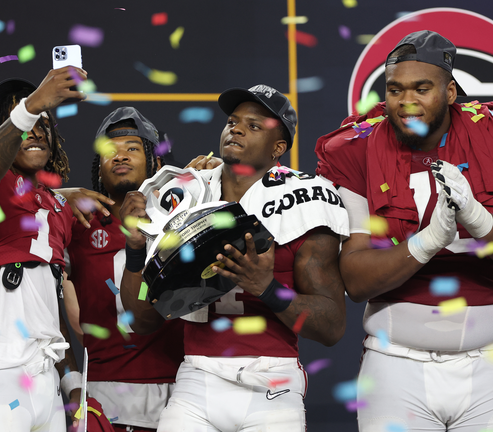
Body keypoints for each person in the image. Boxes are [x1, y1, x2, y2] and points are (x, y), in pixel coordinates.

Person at [315, 30, 493, 431]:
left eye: (422, 88)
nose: (407, 102)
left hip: (490, 364)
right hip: (395, 368)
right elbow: (355, 279)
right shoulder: (355, 149)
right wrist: (427, 241)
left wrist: (479, 220)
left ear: (451, 92)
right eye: (395, 90)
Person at [117, 84, 350, 431]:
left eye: (254, 126)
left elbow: (331, 327)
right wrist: (136, 255)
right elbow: (143, 319)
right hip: (198, 376)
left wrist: (268, 288)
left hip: (273, 378)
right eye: (232, 121)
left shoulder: (305, 201)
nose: (236, 129)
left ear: (278, 148)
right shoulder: (184, 196)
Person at [0, 68, 99, 432]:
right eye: (25, 119)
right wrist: (33, 104)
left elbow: (46, 305)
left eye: (44, 122)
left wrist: (70, 381)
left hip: (46, 383)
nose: (36, 129)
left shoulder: (54, 206)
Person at [62, 106, 185, 432]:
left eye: (132, 148)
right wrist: (61, 195)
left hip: (179, 396)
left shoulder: (182, 215)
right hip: (104, 397)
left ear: (155, 163)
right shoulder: (77, 225)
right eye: (110, 152)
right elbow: (9, 205)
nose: (120, 157)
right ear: (98, 169)